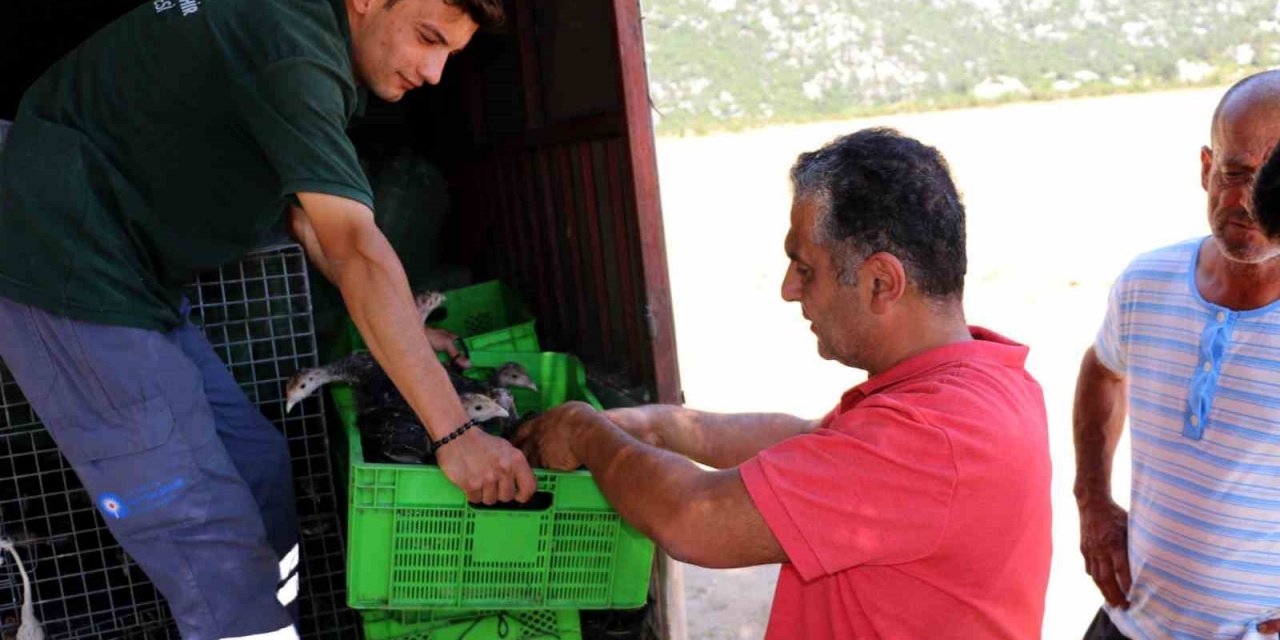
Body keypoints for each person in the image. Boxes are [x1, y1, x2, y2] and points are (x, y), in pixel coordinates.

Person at [0, 0, 534, 637]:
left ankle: (277, 619)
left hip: (134, 271)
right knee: (204, 527)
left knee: (257, 466)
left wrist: (404, 328)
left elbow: (309, 216)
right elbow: (354, 245)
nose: (435, 71)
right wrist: (455, 436)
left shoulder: (305, 38)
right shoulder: (293, 47)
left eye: (451, 52)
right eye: (427, 38)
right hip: (57, 250)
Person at [515, 128, 1053, 640]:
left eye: (805, 267)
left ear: (881, 282)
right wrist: (659, 425)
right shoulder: (977, 382)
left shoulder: (932, 437)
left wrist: (584, 432)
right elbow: (805, 440)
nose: (788, 290)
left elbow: (692, 517)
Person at [1073, 70, 1280, 640]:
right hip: (1127, 622)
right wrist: (1092, 501)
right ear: (1205, 167)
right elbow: (1102, 367)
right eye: (1234, 173)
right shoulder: (1147, 280)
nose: (1247, 200)